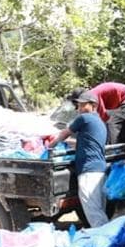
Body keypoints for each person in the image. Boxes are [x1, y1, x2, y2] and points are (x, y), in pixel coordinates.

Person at [46, 89, 108, 227]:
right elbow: (87, 143)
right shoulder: (99, 122)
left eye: (82, 105)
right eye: (78, 105)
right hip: (100, 169)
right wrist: (69, 143)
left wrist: (50, 146)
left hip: (89, 171)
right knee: (99, 209)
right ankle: (109, 238)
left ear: (93, 105)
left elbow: (64, 133)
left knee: (93, 211)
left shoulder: (84, 118)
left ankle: (106, 242)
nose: (79, 108)